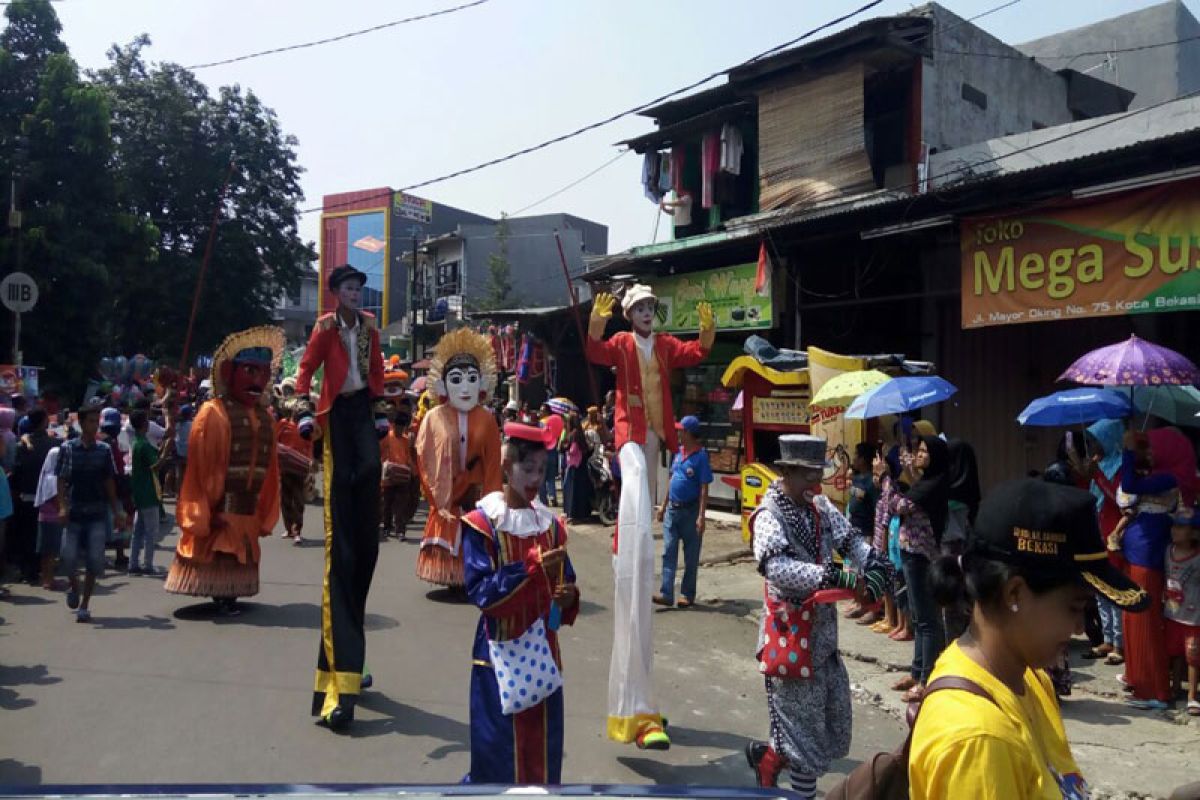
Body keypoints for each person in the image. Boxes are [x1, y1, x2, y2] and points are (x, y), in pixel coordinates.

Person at [909, 478, 1150, 799]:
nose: (1080, 628)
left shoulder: (1031, 679)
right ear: (1015, 593)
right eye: (1074, 608)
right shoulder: (979, 741)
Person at [586, 283, 714, 750]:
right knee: (635, 482)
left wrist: (708, 331)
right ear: (627, 314)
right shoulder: (621, 345)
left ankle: (633, 536)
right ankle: (629, 535)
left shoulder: (662, 346)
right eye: (638, 308)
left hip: (657, 435)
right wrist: (597, 324)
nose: (646, 313)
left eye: (650, 308)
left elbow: (695, 354)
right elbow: (595, 351)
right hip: (629, 433)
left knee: (647, 498)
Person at [745, 434, 892, 797]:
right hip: (790, 638)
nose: (816, 483)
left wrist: (874, 564)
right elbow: (775, 568)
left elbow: (851, 541)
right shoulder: (769, 514)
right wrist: (830, 575)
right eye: (808, 475)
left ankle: (767, 759)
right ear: (787, 471)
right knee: (805, 742)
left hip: (824, 640)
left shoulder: (821, 508)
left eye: (818, 474)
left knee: (830, 724)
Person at [295, 264, 388, 731]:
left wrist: (381, 405)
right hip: (335, 412)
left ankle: (350, 663)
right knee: (344, 549)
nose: (354, 294)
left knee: (370, 477)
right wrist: (302, 402)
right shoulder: (325, 328)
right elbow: (307, 366)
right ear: (334, 294)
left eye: (358, 288)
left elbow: (375, 371)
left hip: (361, 409)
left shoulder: (369, 327)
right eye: (347, 289)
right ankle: (341, 674)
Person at [460, 422, 581, 784]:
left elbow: (567, 582)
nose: (535, 479)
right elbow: (482, 593)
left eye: (542, 471)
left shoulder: (551, 526)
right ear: (507, 467)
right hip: (497, 661)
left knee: (542, 757)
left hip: (544, 659)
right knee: (498, 758)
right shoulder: (483, 523)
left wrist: (569, 595)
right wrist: (527, 569)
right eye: (528, 469)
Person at [165, 326, 283, 616]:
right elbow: (205, 467)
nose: (258, 380)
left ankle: (229, 596)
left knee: (240, 551)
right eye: (249, 371)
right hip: (222, 502)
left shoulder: (265, 417)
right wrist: (208, 507)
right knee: (220, 549)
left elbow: (271, 471)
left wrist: (265, 509)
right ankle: (220, 597)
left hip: (248, 505)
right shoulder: (213, 413)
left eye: (263, 372)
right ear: (230, 372)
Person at [415, 328, 503, 590]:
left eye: (471, 379)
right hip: (446, 491)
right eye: (456, 379)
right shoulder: (434, 417)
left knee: (474, 533)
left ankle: (472, 577)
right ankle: (453, 577)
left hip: (475, 493)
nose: (465, 387)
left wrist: (492, 499)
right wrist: (437, 492)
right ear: (443, 385)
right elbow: (424, 454)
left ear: (481, 383)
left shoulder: (487, 419)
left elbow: (493, 463)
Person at [1119, 428, 1196, 710]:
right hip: (1140, 551)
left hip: (1147, 554)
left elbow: (1128, 484)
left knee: (1145, 621)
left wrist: (1128, 450)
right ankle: (1139, 680)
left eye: (1152, 449)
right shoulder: (1160, 474)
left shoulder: (1169, 478)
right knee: (1133, 618)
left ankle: (1156, 691)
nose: (1148, 453)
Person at [874, 433, 950, 703]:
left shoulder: (935, 483)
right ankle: (917, 671)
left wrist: (885, 478)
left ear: (936, 457)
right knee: (918, 618)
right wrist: (898, 474)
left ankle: (927, 679)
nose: (919, 454)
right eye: (918, 450)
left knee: (927, 620)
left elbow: (898, 505)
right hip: (909, 554)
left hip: (922, 556)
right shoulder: (925, 482)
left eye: (924, 451)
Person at [56, 406, 127, 622]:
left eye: (97, 421)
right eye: (90, 421)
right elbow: (61, 479)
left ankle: (85, 605)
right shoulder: (68, 448)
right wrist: (61, 505)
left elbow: (109, 481)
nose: (94, 425)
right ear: (81, 422)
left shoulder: (104, 450)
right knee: (68, 558)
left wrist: (117, 511)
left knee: (95, 561)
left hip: (96, 513)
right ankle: (73, 585)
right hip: (74, 512)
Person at [654, 415, 712, 609]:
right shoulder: (678, 453)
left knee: (691, 556)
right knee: (668, 551)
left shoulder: (701, 457)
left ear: (688, 433)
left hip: (691, 511)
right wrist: (663, 506)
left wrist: (701, 516)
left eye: (681, 430)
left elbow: (704, 488)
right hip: (673, 509)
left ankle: (687, 594)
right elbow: (672, 480)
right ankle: (666, 593)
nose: (678, 433)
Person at [1083, 418, 1127, 665]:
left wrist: (1097, 476)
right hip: (1098, 529)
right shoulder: (1099, 465)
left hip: (1115, 533)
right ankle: (1108, 638)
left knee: (1114, 590)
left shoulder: (1121, 466)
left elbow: (1117, 498)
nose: (1094, 446)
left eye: (1098, 440)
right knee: (1100, 589)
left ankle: (1119, 644)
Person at [1165, 507, 1200, 717]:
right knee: (1175, 653)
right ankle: (1175, 687)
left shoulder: (1197, 559)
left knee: (1193, 657)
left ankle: (1192, 696)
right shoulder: (1167, 551)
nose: (1174, 530)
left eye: (1180, 527)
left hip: (1193, 617)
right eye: (1174, 526)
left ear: (1194, 533)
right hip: (1172, 614)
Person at [13, 408, 54, 585]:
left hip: (27, 496)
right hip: (46, 497)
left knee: (26, 535)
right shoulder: (53, 443)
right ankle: (40, 570)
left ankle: (27, 570)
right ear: (45, 420)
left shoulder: (22, 445)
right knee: (43, 536)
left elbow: (17, 471)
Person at [845, 442, 882, 624]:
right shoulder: (856, 478)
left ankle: (872, 609)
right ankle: (859, 602)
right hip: (853, 530)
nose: (854, 458)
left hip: (866, 532)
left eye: (857, 456)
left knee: (867, 573)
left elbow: (877, 509)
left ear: (865, 459)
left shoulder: (871, 482)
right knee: (853, 571)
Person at [128, 411, 163, 575]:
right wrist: (167, 450)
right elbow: (156, 465)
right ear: (145, 424)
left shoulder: (136, 442)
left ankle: (133, 564)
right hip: (148, 493)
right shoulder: (143, 444)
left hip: (139, 493)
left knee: (138, 532)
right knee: (151, 532)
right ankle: (148, 565)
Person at [276, 398, 313, 545]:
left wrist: (309, 462)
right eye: (298, 409)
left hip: (299, 468)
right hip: (285, 467)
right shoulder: (283, 424)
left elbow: (309, 445)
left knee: (298, 500)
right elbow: (275, 441)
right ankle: (288, 529)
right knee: (285, 499)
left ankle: (297, 530)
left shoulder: (305, 427)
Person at [379, 407, 416, 541]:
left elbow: (408, 457)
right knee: (387, 504)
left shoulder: (406, 440)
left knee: (401, 505)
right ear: (393, 425)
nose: (400, 430)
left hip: (403, 478)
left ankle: (400, 531)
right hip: (388, 477)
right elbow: (379, 453)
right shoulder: (386, 438)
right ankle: (387, 528)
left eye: (402, 428)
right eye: (398, 427)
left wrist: (414, 471)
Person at [33, 444, 63, 591]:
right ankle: (49, 580)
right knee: (50, 552)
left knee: (46, 552)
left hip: (44, 516)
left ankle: (47, 579)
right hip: (52, 518)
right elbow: (55, 499)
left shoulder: (46, 475)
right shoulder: (53, 478)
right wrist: (63, 509)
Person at [561, 411, 593, 523]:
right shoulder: (579, 432)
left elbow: (573, 450)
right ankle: (582, 514)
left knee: (572, 491)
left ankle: (573, 514)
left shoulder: (573, 434)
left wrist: (567, 448)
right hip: (581, 465)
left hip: (574, 465)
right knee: (580, 490)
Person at [538, 403, 561, 507]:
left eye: (542, 410)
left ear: (547, 411)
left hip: (543, 453)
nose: (540, 412)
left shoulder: (541, 423)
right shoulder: (556, 422)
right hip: (552, 452)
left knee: (542, 478)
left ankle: (544, 500)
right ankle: (552, 497)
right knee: (550, 477)